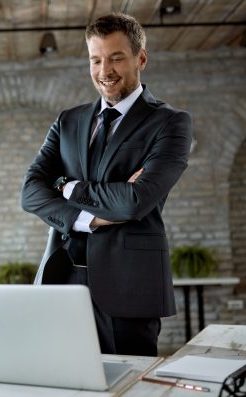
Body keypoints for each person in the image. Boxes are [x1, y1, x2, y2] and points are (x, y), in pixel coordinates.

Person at [20, 13, 192, 356]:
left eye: (116, 58)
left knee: (128, 389)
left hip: (128, 287)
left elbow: (134, 201)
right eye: (95, 60)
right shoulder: (68, 120)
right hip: (62, 281)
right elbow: (30, 192)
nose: (104, 71)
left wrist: (68, 187)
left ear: (140, 58)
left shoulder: (170, 123)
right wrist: (89, 219)